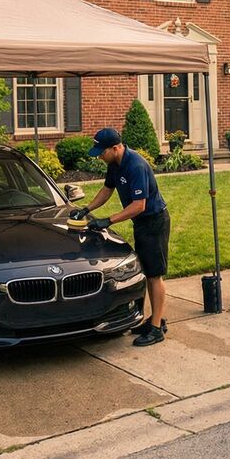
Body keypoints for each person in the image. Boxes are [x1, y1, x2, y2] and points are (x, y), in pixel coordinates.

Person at [74, 128, 170, 346]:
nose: (99, 156)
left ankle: (157, 328)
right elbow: (107, 190)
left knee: (155, 275)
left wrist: (109, 220)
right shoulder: (114, 164)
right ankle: (154, 320)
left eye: (101, 152)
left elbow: (139, 205)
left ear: (115, 148)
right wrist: (86, 209)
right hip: (143, 224)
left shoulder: (135, 165)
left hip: (154, 222)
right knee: (147, 271)